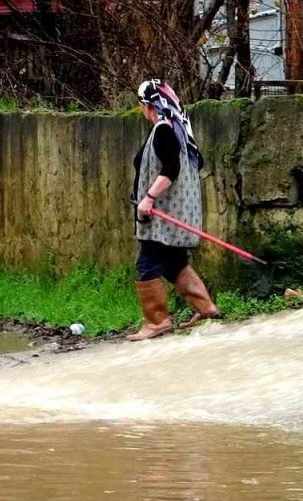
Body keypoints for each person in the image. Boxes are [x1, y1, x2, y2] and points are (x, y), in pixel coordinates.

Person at [128, 79, 220, 341]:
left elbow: (171, 169)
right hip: (179, 213)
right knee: (174, 263)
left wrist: (148, 198)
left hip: (162, 216)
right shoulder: (178, 130)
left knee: (147, 264)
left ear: (147, 105)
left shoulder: (163, 130)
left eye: (141, 105)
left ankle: (157, 321)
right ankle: (206, 309)